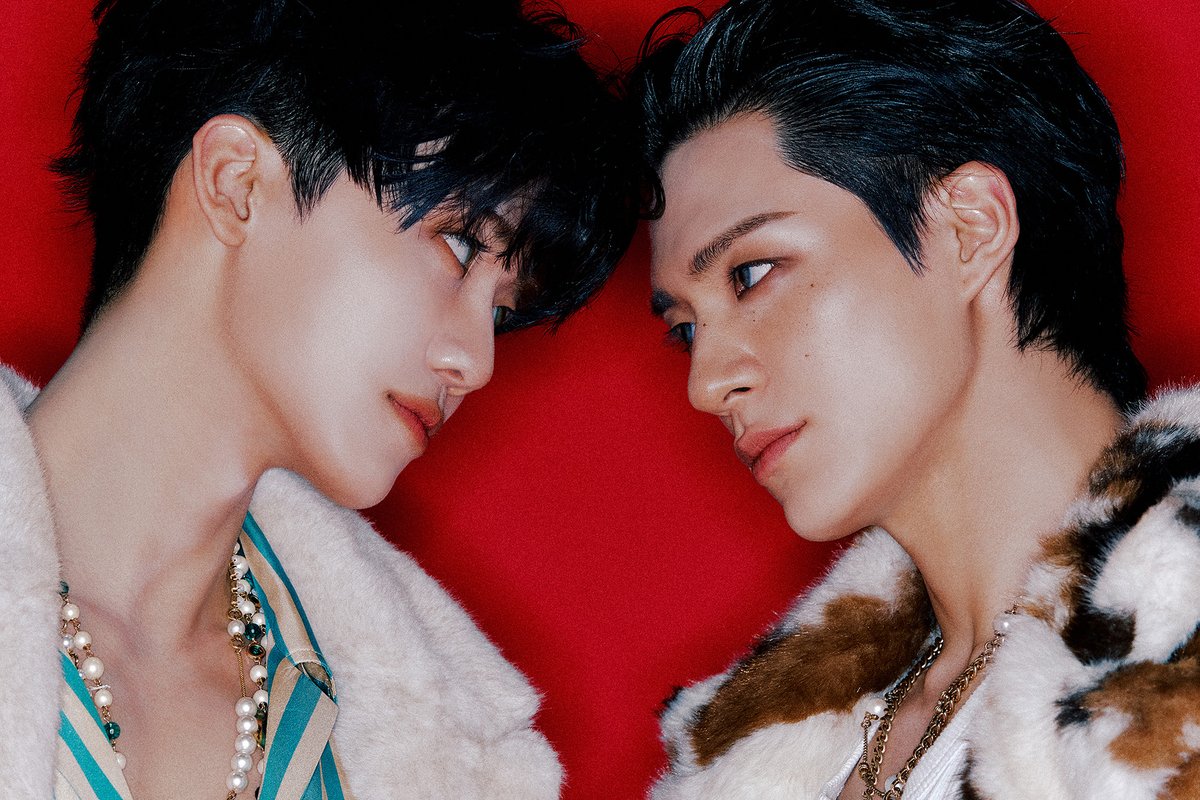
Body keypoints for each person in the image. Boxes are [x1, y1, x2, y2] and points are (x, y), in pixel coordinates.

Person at [0, 0, 641, 797]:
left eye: (501, 312)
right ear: (236, 182)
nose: (475, 362)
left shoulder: (441, 746)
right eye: (458, 244)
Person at [634, 0, 1200, 797]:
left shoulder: (1174, 675)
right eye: (687, 330)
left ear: (970, 228)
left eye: (752, 274)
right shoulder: (777, 748)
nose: (706, 384)